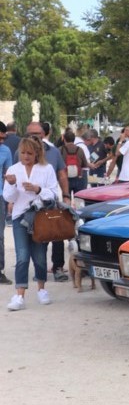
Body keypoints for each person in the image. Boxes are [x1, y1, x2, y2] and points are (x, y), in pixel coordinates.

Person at [3, 134, 58, 309]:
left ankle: (42, 289)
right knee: (22, 256)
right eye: (22, 153)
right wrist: (11, 184)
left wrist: (37, 189)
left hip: (40, 217)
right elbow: (8, 197)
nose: (25, 156)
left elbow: (53, 193)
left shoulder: (46, 169)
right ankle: (20, 295)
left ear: (37, 153)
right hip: (20, 217)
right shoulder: (13, 169)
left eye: (29, 153)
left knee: (40, 257)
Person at [28, 122, 70, 281]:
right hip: (31, 204)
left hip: (51, 201)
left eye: (37, 134)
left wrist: (66, 195)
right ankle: (40, 269)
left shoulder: (54, 152)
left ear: (43, 134)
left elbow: (62, 174)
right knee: (38, 237)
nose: (33, 137)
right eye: (30, 133)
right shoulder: (22, 151)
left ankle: (58, 267)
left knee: (57, 235)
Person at [61, 126, 91, 199]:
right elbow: (85, 164)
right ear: (74, 139)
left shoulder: (61, 150)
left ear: (64, 139)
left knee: (66, 200)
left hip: (65, 178)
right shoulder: (80, 149)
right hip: (79, 178)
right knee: (79, 201)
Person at [0, 125, 12, 285]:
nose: (1, 141)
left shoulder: (6, 151)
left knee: (0, 235)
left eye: (3, 138)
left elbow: (8, 175)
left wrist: (10, 199)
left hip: (0, 197)